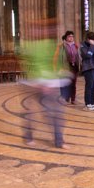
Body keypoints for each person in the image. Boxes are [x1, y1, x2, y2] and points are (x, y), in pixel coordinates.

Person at [20, 20, 69, 149]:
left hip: (50, 84)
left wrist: (59, 75)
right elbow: (32, 66)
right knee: (33, 114)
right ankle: (28, 136)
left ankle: (59, 141)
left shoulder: (53, 45)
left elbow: (54, 63)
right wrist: (40, 82)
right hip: (36, 84)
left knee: (57, 113)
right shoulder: (33, 46)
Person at [53, 31, 81, 104]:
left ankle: (73, 99)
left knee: (73, 83)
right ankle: (66, 98)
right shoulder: (61, 46)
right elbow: (56, 58)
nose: (71, 38)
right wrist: (57, 69)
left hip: (74, 66)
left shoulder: (75, 46)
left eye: (72, 36)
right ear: (66, 37)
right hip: (65, 67)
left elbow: (78, 56)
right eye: (69, 36)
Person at [80, 31, 94, 111]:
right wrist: (92, 46)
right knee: (89, 86)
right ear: (88, 39)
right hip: (88, 67)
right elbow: (88, 55)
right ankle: (88, 104)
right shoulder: (83, 45)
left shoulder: (93, 45)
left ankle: (92, 103)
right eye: (93, 40)